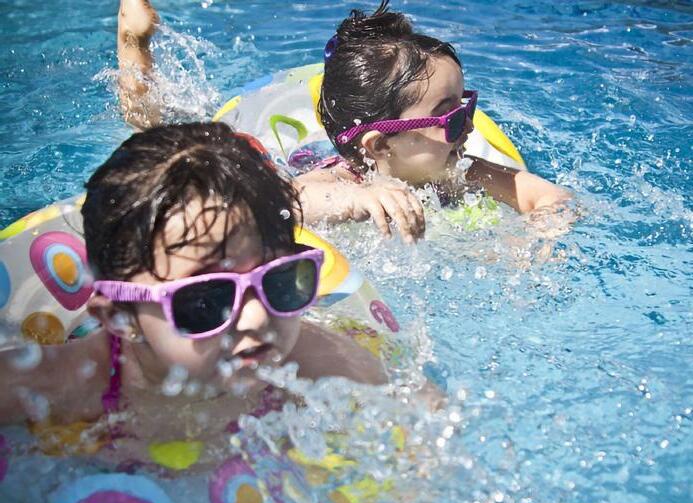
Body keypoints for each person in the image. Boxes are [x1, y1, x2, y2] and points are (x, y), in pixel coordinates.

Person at [0, 122, 387, 459]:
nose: (257, 317)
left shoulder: (322, 366)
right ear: (118, 316)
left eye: (280, 281)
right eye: (206, 300)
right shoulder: (58, 388)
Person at [115, 1, 570, 244]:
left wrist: (540, 235)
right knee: (159, 140)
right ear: (380, 146)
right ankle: (134, 45)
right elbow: (283, 203)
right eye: (449, 118)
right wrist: (356, 199)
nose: (466, 128)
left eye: (466, 109)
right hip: (291, 159)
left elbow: (548, 197)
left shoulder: (461, 171)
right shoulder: (343, 179)